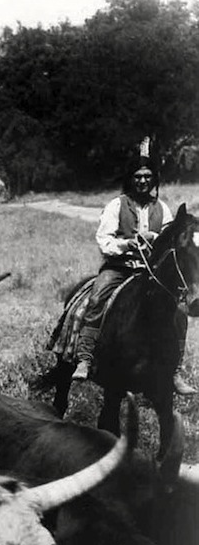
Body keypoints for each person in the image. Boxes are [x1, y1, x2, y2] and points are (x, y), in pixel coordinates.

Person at [73, 144, 195, 394]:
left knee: (179, 312)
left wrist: (155, 240)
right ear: (131, 179)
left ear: (154, 180)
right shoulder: (117, 205)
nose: (142, 181)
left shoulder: (163, 209)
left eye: (147, 177)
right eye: (138, 177)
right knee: (97, 296)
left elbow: (170, 240)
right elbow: (104, 240)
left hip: (150, 273)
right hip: (120, 268)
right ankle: (85, 357)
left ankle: (174, 371)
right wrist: (127, 243)